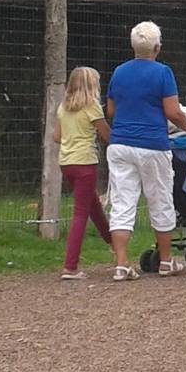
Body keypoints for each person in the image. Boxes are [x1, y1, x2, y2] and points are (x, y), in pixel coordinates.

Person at [106, 20, 186, 281]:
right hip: (152, 145)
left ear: (133, 46)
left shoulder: (119, 72)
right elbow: (172, 112)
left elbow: (111, 110)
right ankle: (166, 261)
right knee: (160, 199)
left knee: (122, 202)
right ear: (157, 47)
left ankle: (121, 264)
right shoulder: (163, 73)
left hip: (120, 144)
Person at [53, 65, 112, 280]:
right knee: (80, 214)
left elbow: (57, 137)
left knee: (92, 205)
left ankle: (113, 243)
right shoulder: (92, 106)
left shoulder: (63, 107)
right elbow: (106, 134)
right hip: (85, 162)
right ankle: (70, 266)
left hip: (66, 162)